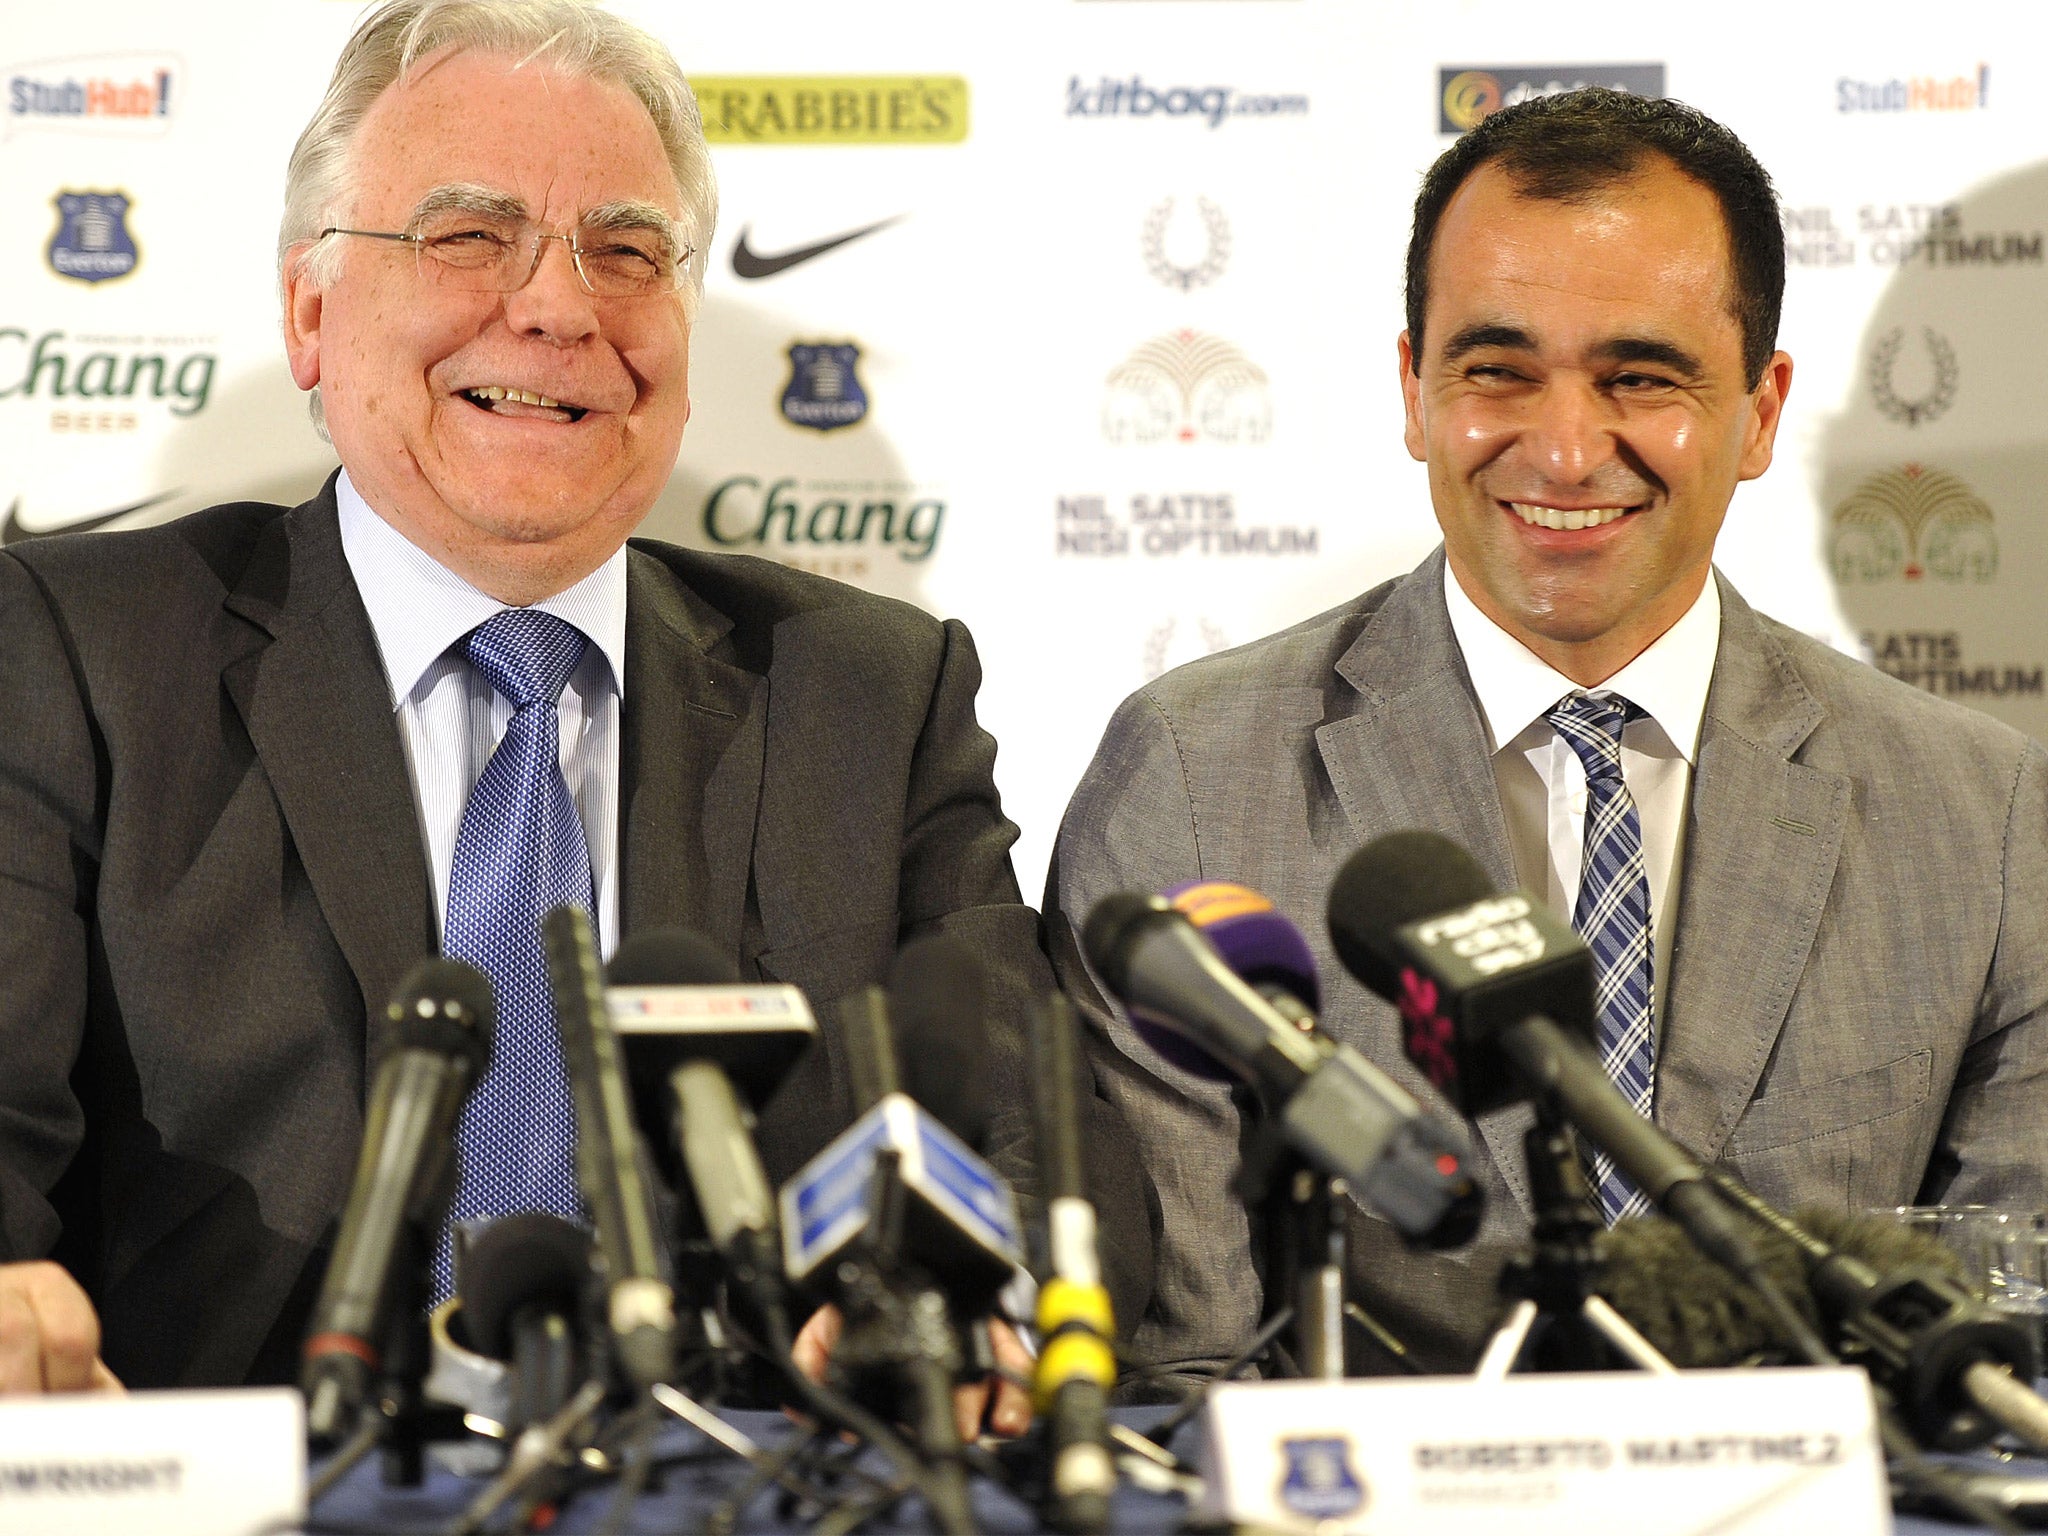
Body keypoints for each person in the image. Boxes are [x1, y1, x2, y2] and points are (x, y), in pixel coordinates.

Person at [0, 0, 1153, 1420]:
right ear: (311, 310)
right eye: (468, 236)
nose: (557, 306)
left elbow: (1029, 1131)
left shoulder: (867, 691)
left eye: (625, 250)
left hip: (750, 1490)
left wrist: (979, 1302)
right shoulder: (73, 652)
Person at [1047, 88, 2048, 1384]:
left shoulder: (1987, 818)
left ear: (1759, 407)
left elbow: (2001, 1362)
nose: (1568, 449)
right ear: (1414, 389)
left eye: (1641, 376)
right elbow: (1187, 1370)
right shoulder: (1190, 779)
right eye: (1498, 371)